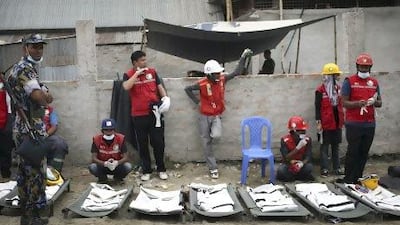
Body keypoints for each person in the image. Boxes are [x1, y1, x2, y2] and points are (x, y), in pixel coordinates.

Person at [184, 48, 253, 179]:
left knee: (216, 135)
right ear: (209, 74)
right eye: (215, 73)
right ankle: (213, 168)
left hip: (216, 115)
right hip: (204, 116)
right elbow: (187, 89)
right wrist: (197, 102)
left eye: (218, 73)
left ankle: (210, 143)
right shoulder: (202, 84)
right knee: (205, 142)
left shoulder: (222, 79)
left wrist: (243, 57)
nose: (218, 75)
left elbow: (237, 72)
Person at [8, 34, 52, 225]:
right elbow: (38, 97)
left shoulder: (19, 68)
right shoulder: (26, 69)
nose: (38, 50)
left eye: (41, 47)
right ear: (25, 47)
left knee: (24, 171)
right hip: (30, 129)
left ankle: (26, 215)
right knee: (35, 173)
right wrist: (47, 95)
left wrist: (42, 92)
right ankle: (34, 216)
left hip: (22, 126)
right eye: (34, 47)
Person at [122, 51, 171, 181]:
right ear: (135, 63)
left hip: (155, 113)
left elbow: (159, 86)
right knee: (142, 144)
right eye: (142, 60)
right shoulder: (128, 75)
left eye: (145, 60)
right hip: (138, 115)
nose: (145, 62)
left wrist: (165, 98)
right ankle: (147, 170)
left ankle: (161, 169)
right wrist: (137, 74)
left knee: (158, 142)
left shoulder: (152, 72)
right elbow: (126, 87)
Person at [341, 53, 382, 184]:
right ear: (357, 66)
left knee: (364, 153)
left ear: (370, 68)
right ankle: (348, 179)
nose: (364, 69)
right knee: (353, 152)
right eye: (361, 67)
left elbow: (380, 102)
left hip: (369, 124)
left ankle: (357, 177)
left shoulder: (374, 82)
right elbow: (344, 102)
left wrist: (373, 102)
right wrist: (358, 103)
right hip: (354, 123)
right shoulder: (349, 81)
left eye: (366, 67)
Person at [315, 63, 344, 177]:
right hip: (325, 123)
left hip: (337, 123)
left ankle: (337, 168)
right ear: (330, 76)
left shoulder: (338, 89)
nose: (338, 77)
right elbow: (317, 107)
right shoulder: (320, 90)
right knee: (324, 147)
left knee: (336, 146)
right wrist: (318, 122)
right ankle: (325, 169)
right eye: (336, 75)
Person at [89, 118, 132, 183]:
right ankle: (103, 179)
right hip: (102, 166)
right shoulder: (96, 139)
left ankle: (118, 178)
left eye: (111, 130)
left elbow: (126, 157)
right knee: (93, 167)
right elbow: (93, 158)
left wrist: (117, 163)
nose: (109, 132)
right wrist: (105, 163)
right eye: (106, 130)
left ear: (114, 130)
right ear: (102, 131)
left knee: (128, 166)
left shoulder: (120, 138)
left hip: (117, 166)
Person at [277, 116, 314, 182]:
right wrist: (297, 148)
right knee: (281, 170)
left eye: (304, 131)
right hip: (289, 164)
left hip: (301, 164)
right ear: (294, 131)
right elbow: (286, 157)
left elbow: (309, 156)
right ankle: (296, 177)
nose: (304, 133)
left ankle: (295, 177)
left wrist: (301, 163)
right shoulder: (285, 140)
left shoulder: (307, 140)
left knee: (309, 167)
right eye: (301, 131)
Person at [43, 103, 68, 172]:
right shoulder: (27, 108)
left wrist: (45, 135)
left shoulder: (50, 110)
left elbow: (54, 126)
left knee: (60, 144)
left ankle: (55, 171)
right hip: (31, 137)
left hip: (46, 136)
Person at [0, 77, 13, 179]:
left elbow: (11, 102)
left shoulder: (5, 84)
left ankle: (5, 175)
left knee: (6, 149)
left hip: (5, 120)